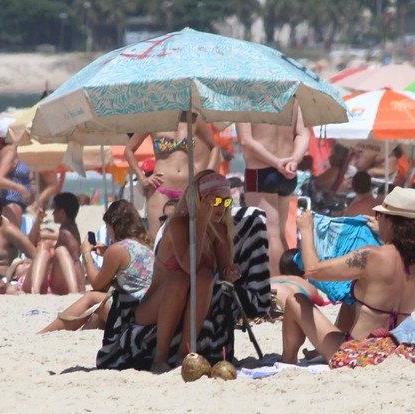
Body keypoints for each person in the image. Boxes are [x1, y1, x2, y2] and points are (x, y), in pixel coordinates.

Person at [280, 187, 415, 368]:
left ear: (391, 222)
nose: (377, 219)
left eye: (380, 216)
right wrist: (386, 234)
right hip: (398, 348)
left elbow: (312, 270)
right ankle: (316, 352)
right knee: (354, 298)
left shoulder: (371, 256)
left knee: (294, 300)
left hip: (360, 351)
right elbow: (397, 258)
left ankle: (287, 360)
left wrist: (306, 231)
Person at [135, 171, 240, 373]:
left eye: (226, 202)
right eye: (216, 200)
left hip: (195, 305)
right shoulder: (177, 225)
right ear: (199, 200)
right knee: (180, 277)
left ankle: (184, 354)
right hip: (154, 307)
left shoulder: (218, 229)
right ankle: (161, 356)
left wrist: (231, 271)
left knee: (204, 276)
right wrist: (200, 222)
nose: (221, 207)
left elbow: (226, 270)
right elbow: (188, 266)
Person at [39, 199, 154, 333]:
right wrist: (108, 251)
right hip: (149, 310)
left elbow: (96, 284)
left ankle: (47, 332)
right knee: (98, 310)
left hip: (134, 314)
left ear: (113, 226)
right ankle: (83, 333)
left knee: (92, 297)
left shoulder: (117, 249)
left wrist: (86, 253)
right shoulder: (145, 244)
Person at [236, 103, 310, 276]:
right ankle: (289, 279)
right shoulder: (290, 97)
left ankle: (276, 283)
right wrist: (294, 159)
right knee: (280, 234)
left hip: (262, 170)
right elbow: (303, 133)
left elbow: (245, 141)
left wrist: (276, 162)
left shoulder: (247, 97)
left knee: (270, 235)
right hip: (288, 171)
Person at [124, 113, 220, 238]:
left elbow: (215, 147)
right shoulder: (153, 120)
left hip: (189, 188)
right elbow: (128, 150)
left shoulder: (194, 119)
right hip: (161, 187)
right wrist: (142, 178)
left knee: (193, 238)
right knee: (157, 238)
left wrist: (207, 174)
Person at [23, 192, 84, 294]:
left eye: (55, 209)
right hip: (37, 279)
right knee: (44, 251)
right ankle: (35, 291)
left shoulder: (66, 234)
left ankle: (74, 291)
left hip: (55, 282)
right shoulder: (66, 232)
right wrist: (38, 222)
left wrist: (82, 289)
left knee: (60, 250)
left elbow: (76, 261)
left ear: (62, 212)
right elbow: (30, 243)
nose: (53, 213)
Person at [0, 117, 32, 229]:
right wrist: (21, 188)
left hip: (10, 202)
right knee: (12, 242)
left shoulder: (5, 151)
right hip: (11, 202)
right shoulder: (9, 151)